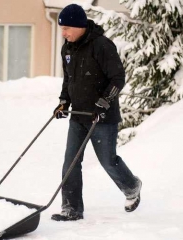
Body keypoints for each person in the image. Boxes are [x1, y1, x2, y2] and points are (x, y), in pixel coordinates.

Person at [52, 4, 142, 221]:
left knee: (108, 160)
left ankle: (131, 186)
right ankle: (71, 208)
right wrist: (64, 102)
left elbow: (117, 78)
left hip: (102, 117)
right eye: (62, 29)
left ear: (80, 26)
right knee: (71, 162)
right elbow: (69, 80)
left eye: (66, 29)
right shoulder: (68, 49)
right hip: (79, 116)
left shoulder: (102, 46)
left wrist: (104, 102)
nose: (63, 33)